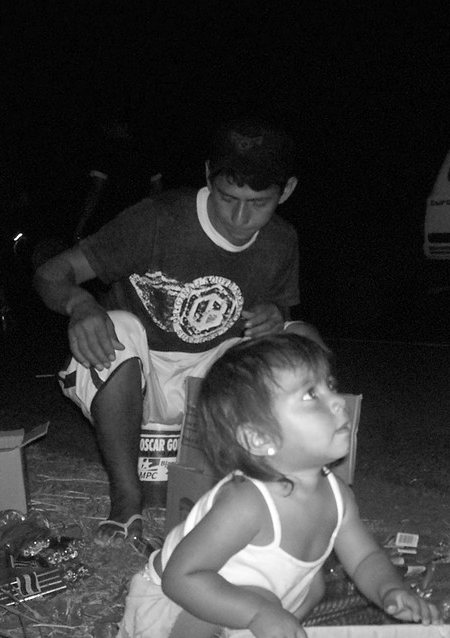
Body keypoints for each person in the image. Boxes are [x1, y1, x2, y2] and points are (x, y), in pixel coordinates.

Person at [33, 116, 323, 548]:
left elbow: (280, 308)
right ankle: (126, 496)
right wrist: (81, 305)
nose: (240, 218)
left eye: (259, 203)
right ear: (208, 175)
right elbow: (52, 273)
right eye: (227, 198)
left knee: (303, 339)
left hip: (208, 384)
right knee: (118, 324)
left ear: (288, 190)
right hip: (135, 374)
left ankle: (278, 484)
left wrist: (274, 315)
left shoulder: (282, 240)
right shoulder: (159, 219)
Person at [116, 334, 441, 637]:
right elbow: (180, 579)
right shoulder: (247, 503)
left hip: (258, 601)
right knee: (259, 595)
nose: (338, 401)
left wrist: (390, 590)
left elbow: (365, 558)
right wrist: (259, 613)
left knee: (313, 585)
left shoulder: (338, 496)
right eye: (311, 394)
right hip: (179, 608)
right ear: (259, 438)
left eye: (329, 385)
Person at [74, 116, 164, 244]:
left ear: (124, 126)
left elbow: (96, 190)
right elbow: (157, 188)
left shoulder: (106, 151)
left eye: (111, 125)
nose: (106, 129)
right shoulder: (146, 151)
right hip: (139, 222)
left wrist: (81, 226)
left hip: (111, 223)